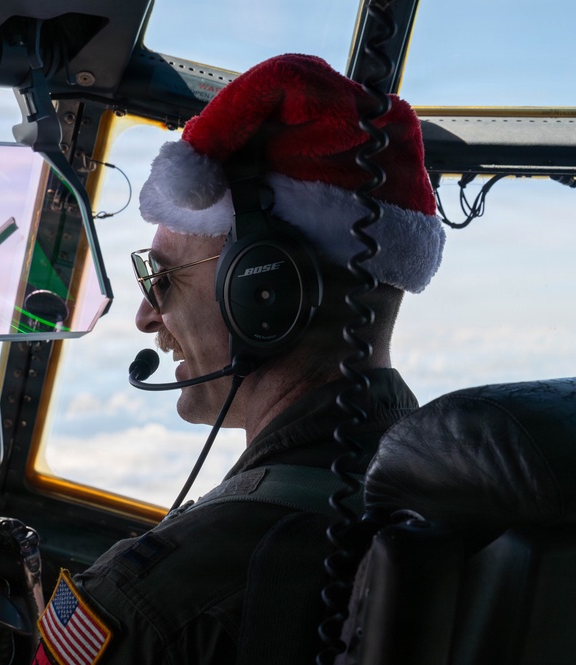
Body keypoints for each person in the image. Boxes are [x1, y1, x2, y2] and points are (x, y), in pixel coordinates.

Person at [32, 54, 445, 665]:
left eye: (163, 279)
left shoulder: (155, 604)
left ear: (263, 290)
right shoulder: (459, 494)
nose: (145, 316)